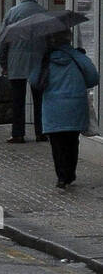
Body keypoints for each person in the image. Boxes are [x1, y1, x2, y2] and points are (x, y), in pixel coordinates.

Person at [31, 32, 99, 189]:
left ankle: (61, 176)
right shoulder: (78, 57)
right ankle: (70, 173)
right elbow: (93, 77)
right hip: (75, 104)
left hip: (53, 107)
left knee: (57, 143)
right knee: (72, 141)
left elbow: (35, 81)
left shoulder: (45, 59)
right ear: (69, 39)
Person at [0, 0, 47, 144]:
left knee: (18, 99)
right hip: (38, 62)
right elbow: (49, 40)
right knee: (39, 99)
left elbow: (4, 40)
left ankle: (18, 133)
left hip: (16, 61)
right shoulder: (42, 12)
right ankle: (41, 132)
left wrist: (3, 62)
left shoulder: (13, 13)